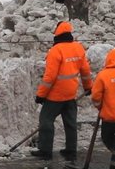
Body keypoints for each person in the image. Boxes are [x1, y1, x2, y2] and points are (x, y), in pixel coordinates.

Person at [34, 21, 93, 161]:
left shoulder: (56, 50)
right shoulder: (78, 48)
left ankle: (45, 150)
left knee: (46, 120)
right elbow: (85, 70)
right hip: (70, 94)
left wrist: (41, 95)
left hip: (55, 95)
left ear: (57, 33)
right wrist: (87, 86)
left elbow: (50, 77)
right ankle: (71, 150)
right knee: (71, 123)